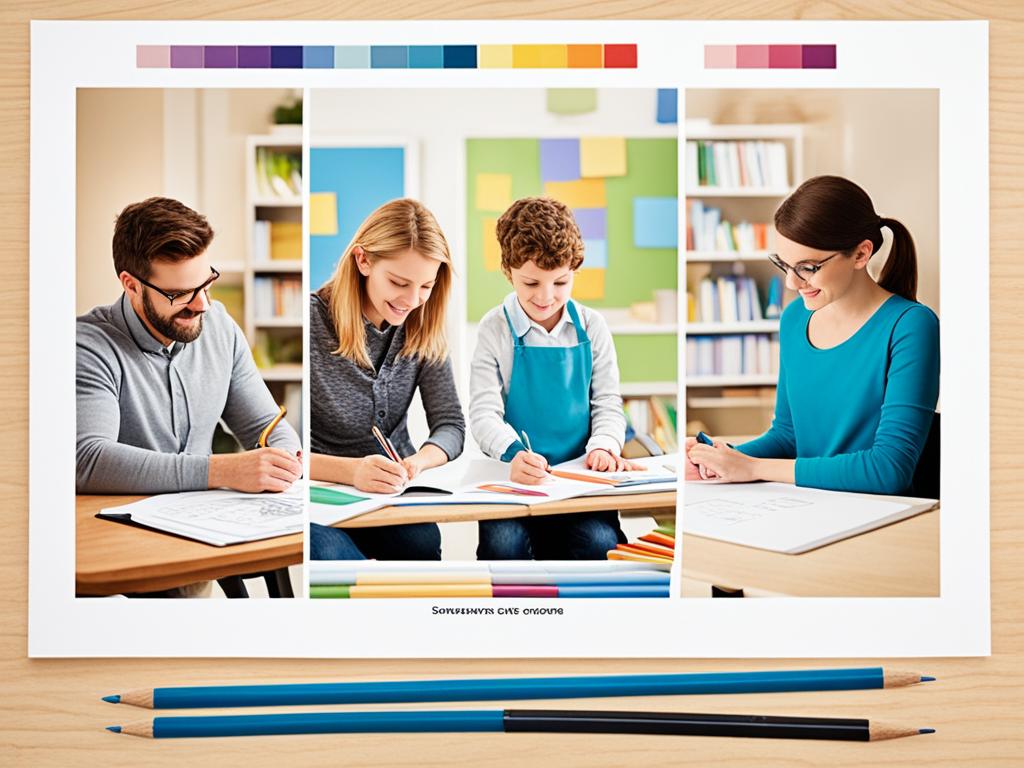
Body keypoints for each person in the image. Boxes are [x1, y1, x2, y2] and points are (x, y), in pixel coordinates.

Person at [686, 175, 940, 496]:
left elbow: (888, 469)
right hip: (809, 504)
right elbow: (788, 436)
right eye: (785, 265)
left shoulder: (910, 325)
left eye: (808, 267)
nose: (793, 283)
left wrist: (753, 468)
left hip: (879, 515)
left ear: (861, 254)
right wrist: (714, 456)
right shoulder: (795, 318)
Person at [76, 197, 302, 496]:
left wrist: (284, 460)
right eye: (180, 294)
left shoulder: (220, 328)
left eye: (206, 284)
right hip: (122, 528)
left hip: (204, 522)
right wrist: (224, 470)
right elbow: (88, 460)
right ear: (131, 285)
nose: (202, 305)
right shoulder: (88, 347)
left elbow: (265, 425)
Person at [470, 196, 641, 560]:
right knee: (504, 546)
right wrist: (514, 453)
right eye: (531, 283)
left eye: (560, 282)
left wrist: (604, 446)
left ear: (574, 270)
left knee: (600, 544)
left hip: (579, 481)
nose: (546, 297)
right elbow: (484, 413)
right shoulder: (494, 329)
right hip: (511, 478)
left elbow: (608, 404)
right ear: (508, 271)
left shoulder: (593, 326)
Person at [309, 199, 465, 561]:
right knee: (336, 559)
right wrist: (352, 472)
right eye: (398, 282)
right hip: (321, 493)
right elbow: (287, 450)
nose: (412, 300)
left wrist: (420, 462)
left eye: (426, 286)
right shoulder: (313, 321)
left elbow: (451, 425)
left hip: (389, 492)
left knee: (421, 543)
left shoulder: (423, 323)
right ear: (363, 261)